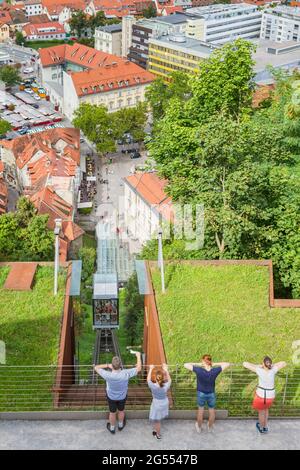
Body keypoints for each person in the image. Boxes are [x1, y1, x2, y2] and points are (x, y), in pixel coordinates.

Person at [95, 352, 142, 434]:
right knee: (121, 411)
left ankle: (112, 428)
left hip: (111, 397)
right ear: (120, 365)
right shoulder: (126, 373)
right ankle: (120, 425)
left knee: (112, 413)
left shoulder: (107, 375)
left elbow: (96, 367)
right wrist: (138, 356)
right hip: (122, 397)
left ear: (112, 365)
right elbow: (139, 369)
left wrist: (107, 365)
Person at [184, 354, 231, 433]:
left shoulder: (199, 370)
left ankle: (199, 428)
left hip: (201, 393)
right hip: (211, 394)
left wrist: (199, 364)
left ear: (203, 361)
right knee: (212, 411)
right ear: (210, 361)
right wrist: (214, 364)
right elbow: (227, 364)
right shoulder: (215, 371)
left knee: (200, 411)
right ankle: (210, 427)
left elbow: (185, 365)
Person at [243, 356, 287, 434]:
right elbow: (284, 363)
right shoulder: (273, 370)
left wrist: (259, 366)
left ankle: (261, 427)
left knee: (261, 412)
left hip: (261, 396)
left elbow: (245, 364)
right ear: (270, 364)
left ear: (263, 364)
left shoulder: (259, 370)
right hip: (271, 396)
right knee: (266, 410)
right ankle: (265, 426)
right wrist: (271, 365)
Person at [147, 364, 171, 440]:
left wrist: (151, 369)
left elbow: (148, 380)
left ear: (155, 378)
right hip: (164, 403)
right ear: (163, 378)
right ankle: (156, 430)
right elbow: (170, 380)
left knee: (157, 421)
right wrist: (166, 370)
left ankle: (158, 435)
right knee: (158, 418)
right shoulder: (166, 386)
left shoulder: (153, 386)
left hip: (157, 404)